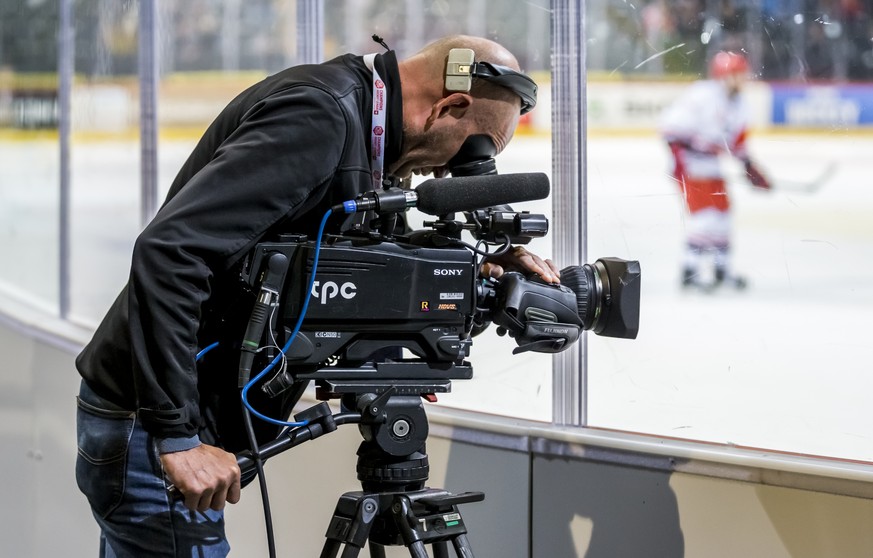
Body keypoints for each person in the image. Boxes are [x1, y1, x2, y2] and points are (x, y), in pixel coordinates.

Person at [74, 35, 559, 557]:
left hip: (168, 418)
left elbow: (351, 261)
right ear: (449, 106)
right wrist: (177, 436)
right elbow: (171, 251)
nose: (448, 173)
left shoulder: (366, 136)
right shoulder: (319, 117)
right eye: (473, 149)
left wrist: (475, 267)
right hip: (153, 425)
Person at [658, 50, 771, 291]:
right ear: (725, 75)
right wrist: (681, 159)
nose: (743, 79)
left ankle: (722, 270)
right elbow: (670, 129)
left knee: (722, 218)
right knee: (703, 220)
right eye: (738, 74)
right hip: (691, 165)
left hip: (712, 166)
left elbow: (738, 143)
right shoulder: (702, 95)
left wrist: (751, 169)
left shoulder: (740, 104)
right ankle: (690, 271)